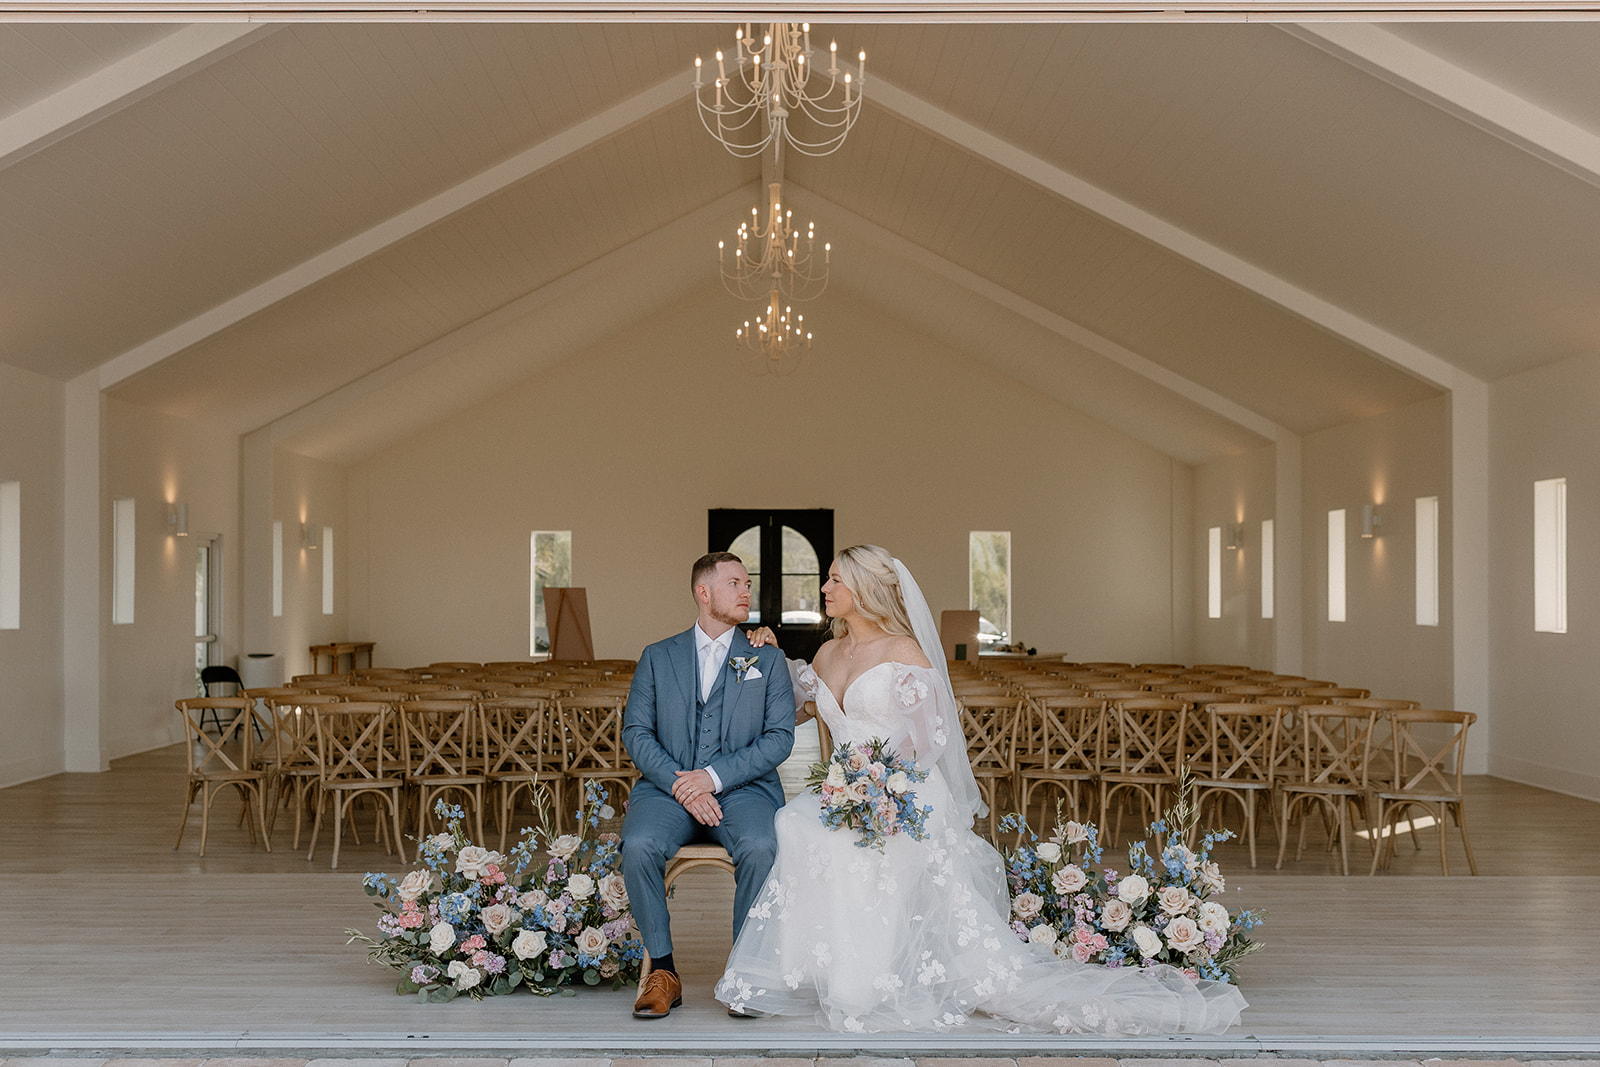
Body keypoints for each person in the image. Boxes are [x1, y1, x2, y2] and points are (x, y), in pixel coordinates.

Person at [713, 545, 1248, 1034]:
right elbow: (793, 706)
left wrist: (881, 785)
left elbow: (930, 743)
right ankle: (830, 967)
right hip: (846, 790)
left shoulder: (906, 653)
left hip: (904, 791)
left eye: (833, 579)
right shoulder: (828, 656)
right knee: (793, 821)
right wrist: (764, 648)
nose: (825, 589)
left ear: (865, 590)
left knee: (845, 839)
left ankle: (865, 977)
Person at [620, 551, 796, 1019]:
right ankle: (662, 970)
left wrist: (713, 778)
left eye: (748, 583)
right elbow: (636, 732)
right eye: (736, 582)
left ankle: (744, 971)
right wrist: (685, 786)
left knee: (761, 845)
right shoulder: (658, 656)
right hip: (667, 789)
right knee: (638, 844)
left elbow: (780, 738)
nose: (747, 591)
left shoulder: (766, 658)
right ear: (704, 592)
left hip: (744, 789)